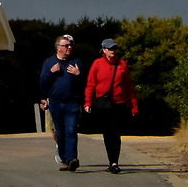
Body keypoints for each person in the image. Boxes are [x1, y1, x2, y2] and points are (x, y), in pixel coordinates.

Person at [84, 37, 139, 173]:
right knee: (107, 133)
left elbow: (129, 87)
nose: (113, 51)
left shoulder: (122, 65)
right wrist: (88, 102)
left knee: (116, 133)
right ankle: (111, 160)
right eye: (110, 49)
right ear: (104, 50)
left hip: (118, 104)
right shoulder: (97, 64)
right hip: (103, 104)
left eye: (114, 48)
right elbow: (90, 85)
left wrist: (133, 105)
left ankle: (115, 162)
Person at [40, 33, 84, 171]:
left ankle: (72, 158)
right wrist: (51, 72)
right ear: (58, 47)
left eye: (70, 45)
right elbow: (42, 83)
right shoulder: (49, 62)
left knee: (71, 130)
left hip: (72, 102)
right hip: (56, 103)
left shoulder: (76, 62)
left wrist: (78, 74)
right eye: (66, 45)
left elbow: (85, 84)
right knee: (61, 132)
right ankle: (65, 158)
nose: (69, 47)